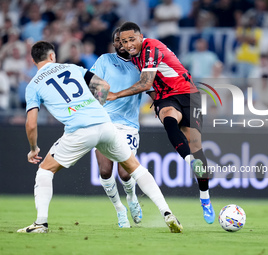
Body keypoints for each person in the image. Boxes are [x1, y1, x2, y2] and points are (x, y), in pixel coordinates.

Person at [17, 41, 182, 234]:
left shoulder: (34, 85)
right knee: (135, 168)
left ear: (33, 59)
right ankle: (167, 212)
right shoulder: (72, 68)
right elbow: (103, 86)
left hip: (78, 131)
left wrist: (34, 148)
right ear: (52, 56)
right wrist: (93, 106)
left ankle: (41, 223)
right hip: (105, 123)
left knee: (45, 170)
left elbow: (31, 123)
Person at [108, 22, 215, 224]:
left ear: (140, 37)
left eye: (131, 39)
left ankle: (205, 198)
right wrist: (155, 100)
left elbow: (146, 82)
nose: (128, 44)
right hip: (166, 98)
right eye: (124, 41)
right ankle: (190, 161)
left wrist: (116, 95)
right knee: (168, 117)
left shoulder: (151, 47)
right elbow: (150, 86)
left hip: (189, 94)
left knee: (196, 144)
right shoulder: (134, 57)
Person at [90, 28, 143, 228]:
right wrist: (99, 103)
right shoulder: (104, 60)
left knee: (125, 174)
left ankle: (131, 198)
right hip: (103, 122)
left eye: (125, 40)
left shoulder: (141, 64)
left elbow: (150, 89)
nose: (121, 44)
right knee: (105, 171)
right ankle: (120, 210)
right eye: (117, 41)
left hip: (128, 126)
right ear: (114, 43)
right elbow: (93, 84)